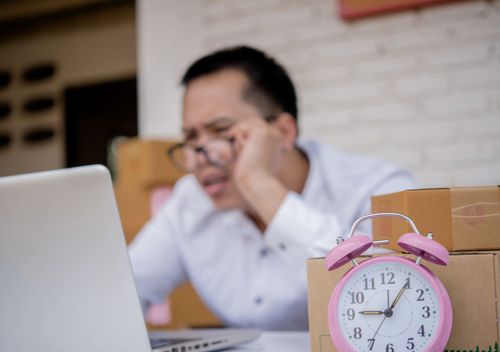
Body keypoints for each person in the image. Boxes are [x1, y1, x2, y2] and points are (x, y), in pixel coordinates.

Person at [129, 45, 415, 330]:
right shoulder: (190, 201)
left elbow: (398, 303)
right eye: (191, 138)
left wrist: (259, 185)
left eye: (221, 132)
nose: (200, 158)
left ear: (283, 133)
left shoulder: (380, 191)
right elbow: (123, 292)